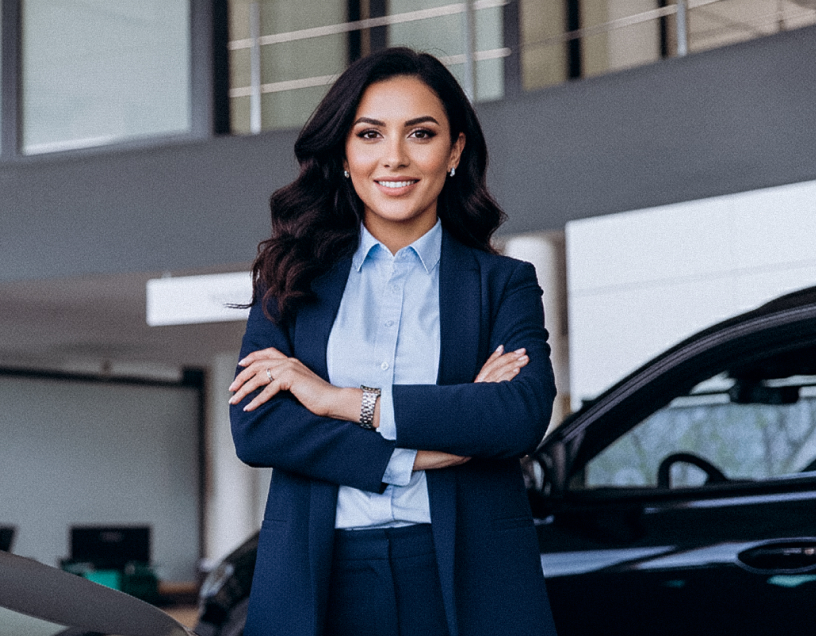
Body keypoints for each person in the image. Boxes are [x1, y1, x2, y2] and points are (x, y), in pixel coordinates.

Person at [228, 47, 558, 636]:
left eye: (421, 134)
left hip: (465, 574)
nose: (395, 158)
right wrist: (421, 454)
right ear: (346, 153)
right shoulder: (288, 276)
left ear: (454, 150)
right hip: (322, 578)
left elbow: (516, 415)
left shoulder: (503, 284)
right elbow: (259, 427)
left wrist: (338, 400)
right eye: (371, 134)